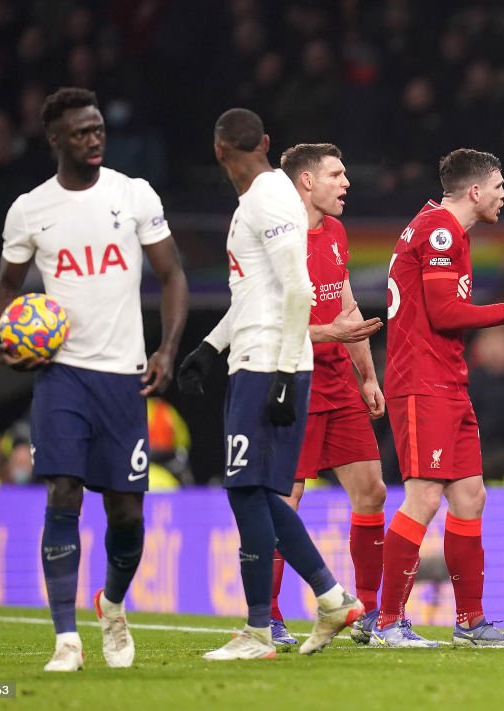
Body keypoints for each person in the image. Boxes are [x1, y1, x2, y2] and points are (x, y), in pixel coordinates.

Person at [0, 87, 189, 672]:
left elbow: (173, 274)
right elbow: (6, 288)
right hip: (62, 375)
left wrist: (167, 350)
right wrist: (6, 337)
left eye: (98, 128)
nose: (94, 138)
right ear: (55, 140)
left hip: (124, 377)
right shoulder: (31, 209)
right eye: (81, 132)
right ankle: (65, 640)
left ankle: (113, 605)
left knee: (126, 512)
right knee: (63, 493)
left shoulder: (134, 194)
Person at [179, 108, 362, 661]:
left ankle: (260, 630)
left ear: (218, 151)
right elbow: (254, 296)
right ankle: (330, 599)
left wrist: (284, 372)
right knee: (258, 491)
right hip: (257, 356)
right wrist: (209, 348)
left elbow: (298, 289)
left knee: (246, 490)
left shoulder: (266, 198)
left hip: (269, 364)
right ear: (263, 141)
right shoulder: (261, 201)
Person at [370, 148, 504, 648]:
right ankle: (388, 622)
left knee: (470, 495)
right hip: (421, 379)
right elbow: (442, 312)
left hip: (446, 380)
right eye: (498, 185)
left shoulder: (438, 227)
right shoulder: (441, 231)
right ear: (474, 190)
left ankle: (470, 623)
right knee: (424, 496)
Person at [272, 142, 387, 647]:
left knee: (373, 490)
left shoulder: (336, 232)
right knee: (284, 500)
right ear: (306, 182)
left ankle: (366, 612)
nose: (345, 183)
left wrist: (367, 375)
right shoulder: (277, 240)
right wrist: (331, 335)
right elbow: (270, 325)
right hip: (293, 381)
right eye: (336, 175)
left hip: (340, 378)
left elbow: (344, 303)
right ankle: (268, 616)